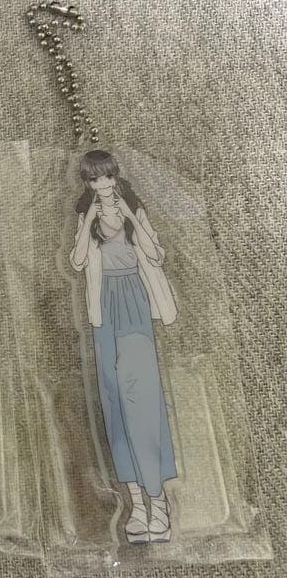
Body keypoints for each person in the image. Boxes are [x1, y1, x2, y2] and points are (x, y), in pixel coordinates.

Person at [69, 149, 178, 543]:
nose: (102, 184)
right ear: (87, 183)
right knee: (114, 402)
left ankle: (158, 501)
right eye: (94, 179)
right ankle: (136, 504)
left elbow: (156, 254)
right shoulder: (87, 213)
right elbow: (77, 261)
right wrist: (88, 221)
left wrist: (131, 216)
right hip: (104, 311)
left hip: (134, 301)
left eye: (107, 177)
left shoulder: (133, 207)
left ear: (116, 176)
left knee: (142, 399)